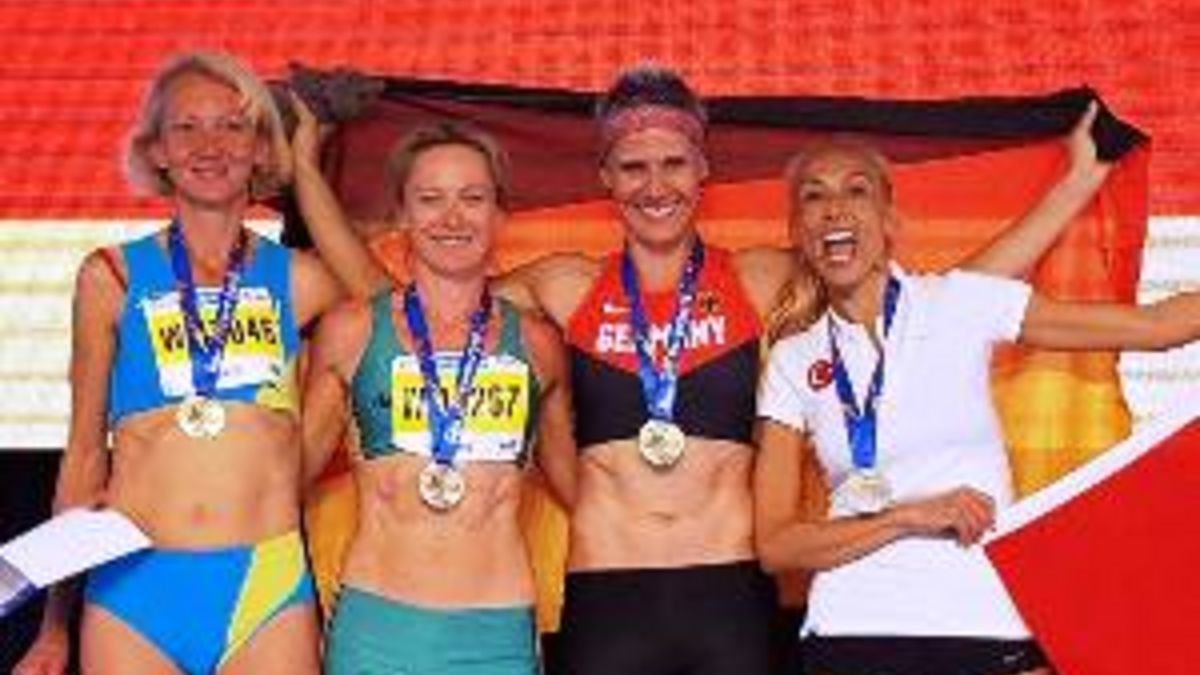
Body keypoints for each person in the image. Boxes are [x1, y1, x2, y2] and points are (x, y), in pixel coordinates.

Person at [291, 66, 1109, 675]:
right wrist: (305, 168)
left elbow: (941, 302)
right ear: (606, 178)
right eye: (634, 167)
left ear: (702, 171)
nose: (656, 186)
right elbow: (399, 306)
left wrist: (1076, 182)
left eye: (674, 164)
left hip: (728, 598)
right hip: (609, 597)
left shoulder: (757, 279)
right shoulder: (563, 288)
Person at [754, 138, 1200, 675]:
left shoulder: (961, 300)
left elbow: (1158, 327)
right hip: (851, 630)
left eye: (857, 190)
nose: (834, 208)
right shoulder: (793, 358)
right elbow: (776, 546)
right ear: (797, 232)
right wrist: (910, 517)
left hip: (982, 622)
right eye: (813, 196)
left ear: (889, 220)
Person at [15, 51, 341, 675]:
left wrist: (305, 168)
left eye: (232, 126)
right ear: (157, 150)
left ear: (261, 149)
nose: (209, 146)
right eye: (186, 127)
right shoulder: (110, 277)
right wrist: (54, 626)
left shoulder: (304, 282)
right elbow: (83, 455)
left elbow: (395, 310)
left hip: (264, 588)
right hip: (134, 590)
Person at [299, 121, 575, 675]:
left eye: (472, 199)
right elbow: (287, 481)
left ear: (500, 214)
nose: (452, 218)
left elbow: (582, 493)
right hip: (376, 630)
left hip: (497, 635)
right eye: (430, 199)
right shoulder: (352, 332)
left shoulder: (539, 344)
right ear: (402, 214)